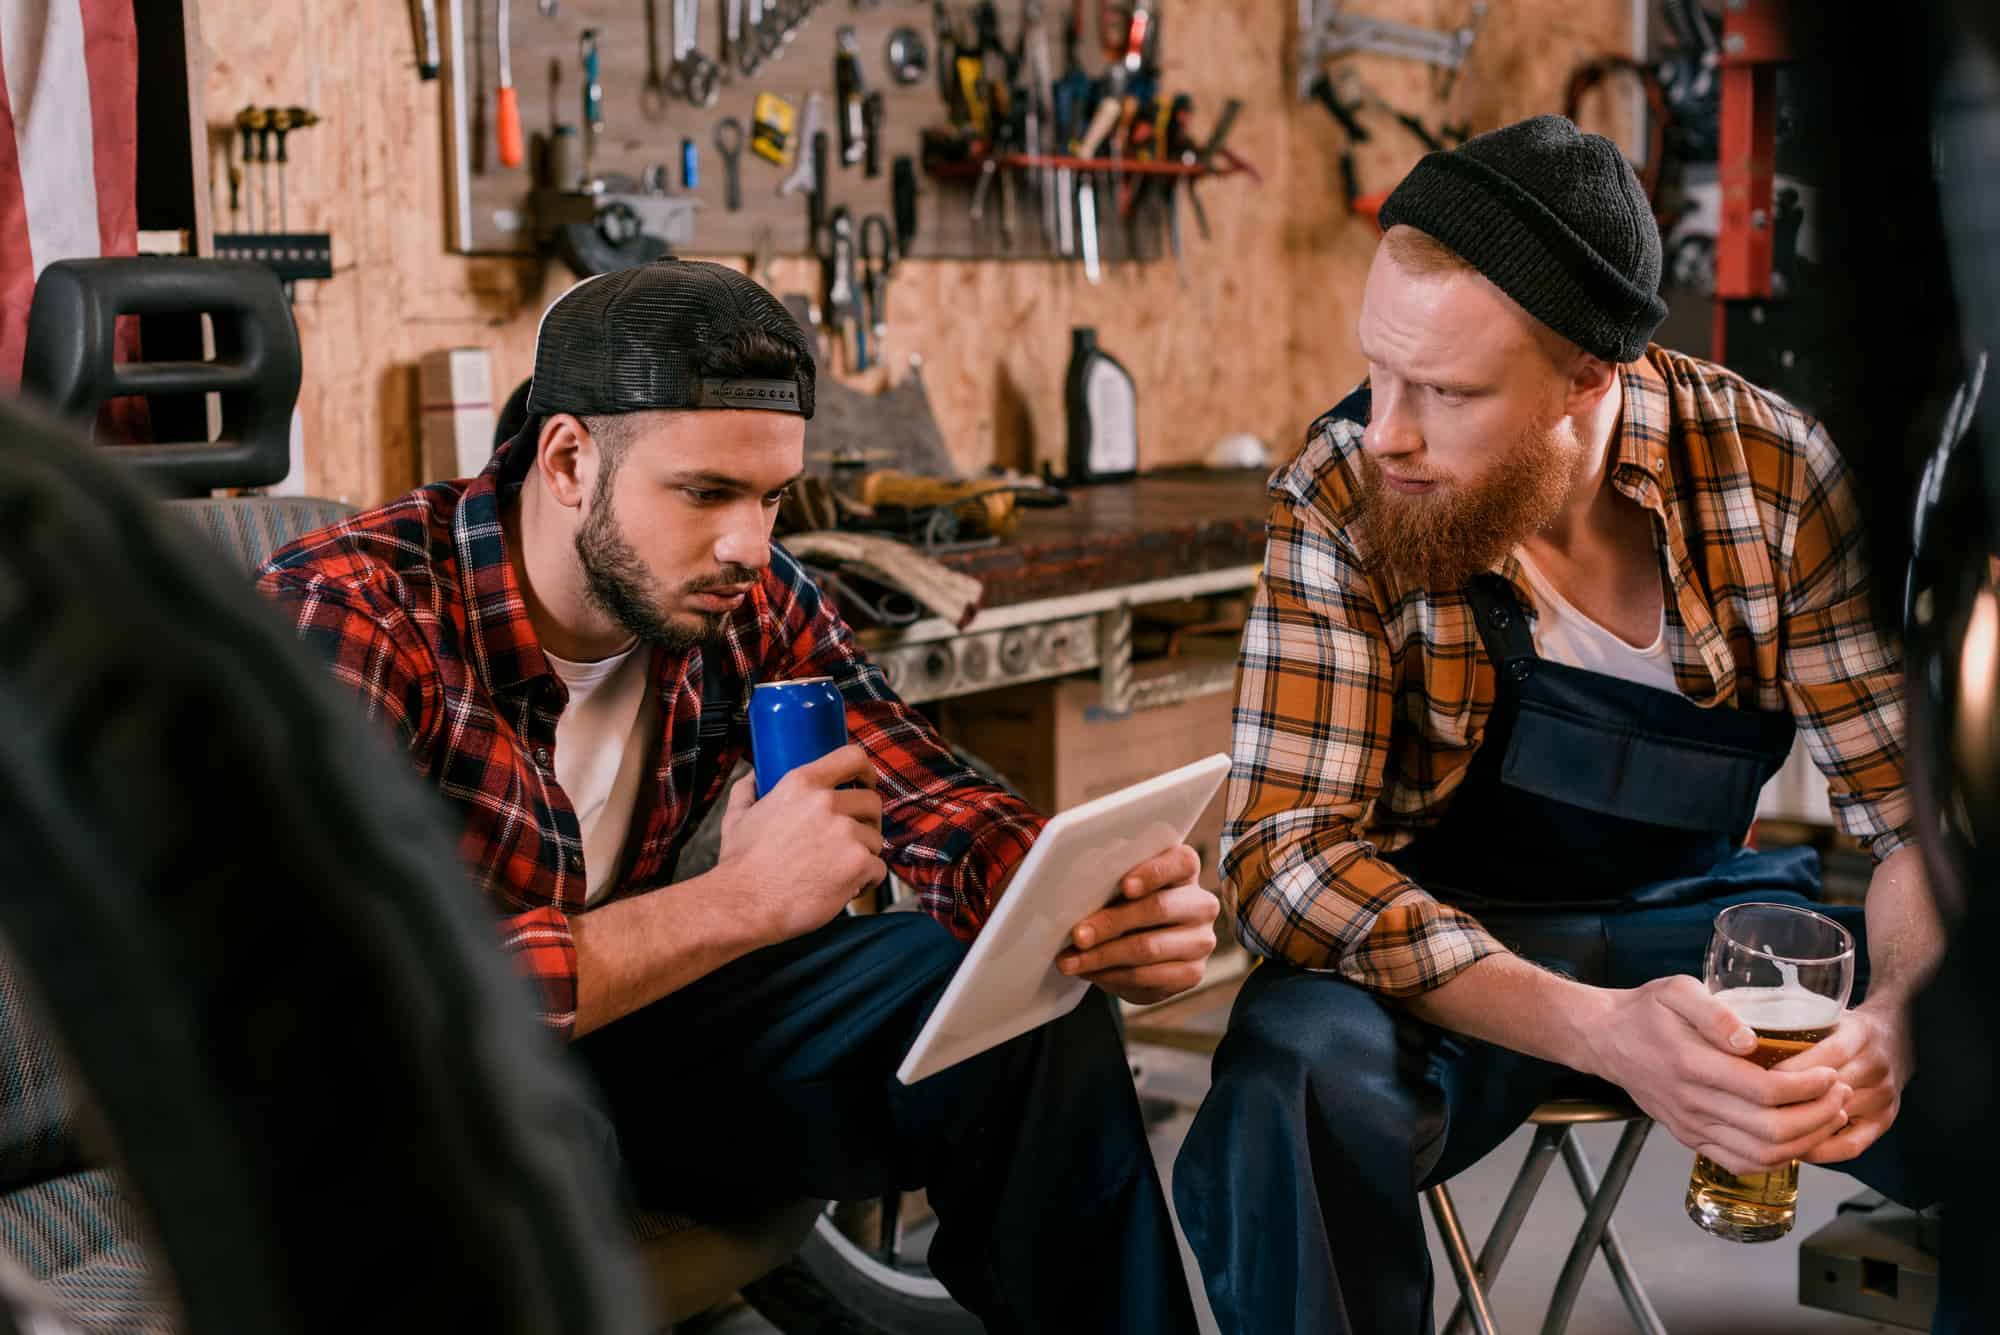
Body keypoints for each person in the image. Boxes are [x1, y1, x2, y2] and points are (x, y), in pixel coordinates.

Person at [256, 258, 1214, 1333]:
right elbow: (331, 1009)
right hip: (413, 1100)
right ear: (568, 459)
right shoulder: (355, 616)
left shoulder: (735, 593)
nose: (748, 546)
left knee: (1016, 1016)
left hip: (629, 1044)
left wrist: (1081, 908)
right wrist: (741, 902)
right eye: (705, 492)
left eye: (770, 498)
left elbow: (919, 782)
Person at [1173, 116, 1956, 1332]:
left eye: (1445, 391)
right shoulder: (1341, 493)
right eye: (1378, 370)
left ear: (1590, 377)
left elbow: (1916, 824)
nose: (1385, 431)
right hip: (1442, 952)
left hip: (1692, 931)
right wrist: (1598, 1031)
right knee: (1289, 1085)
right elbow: (1284, 859)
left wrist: (1895, 1024)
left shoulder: (1773, 475)